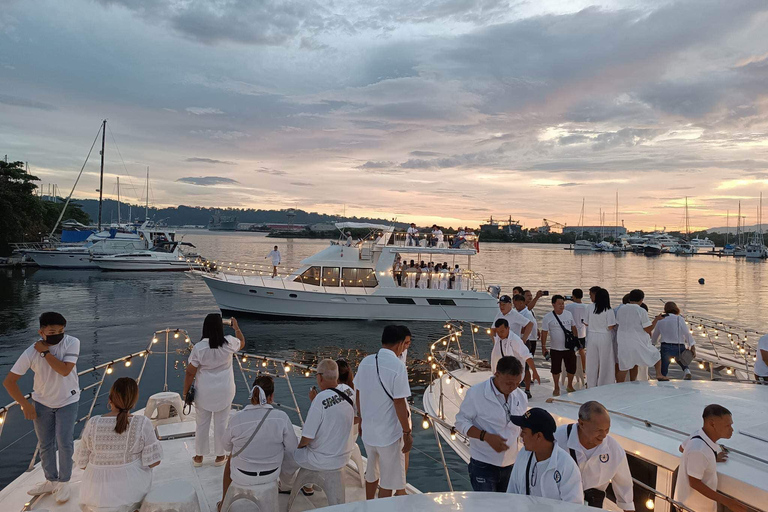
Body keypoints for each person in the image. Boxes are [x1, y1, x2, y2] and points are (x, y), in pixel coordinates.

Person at [3, 312, 80, 503]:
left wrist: (44, 352)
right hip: (42, 402)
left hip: (67, 401)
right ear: (41, 331)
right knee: (45, 444)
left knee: (64, 441)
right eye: (53, 331)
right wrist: (25, 405)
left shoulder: (71, 342)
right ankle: (50, 479)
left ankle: (64, 482)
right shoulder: (30, 352)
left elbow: (64, 370)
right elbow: (9, 382)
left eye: (61, 331)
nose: (58, 334)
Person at [77, 378, 162, 512]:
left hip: (93, 494)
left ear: (110, 399)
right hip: (129, 494)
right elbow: (154, 462)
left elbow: (82, 464)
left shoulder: (93, 422)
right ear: (133, 402)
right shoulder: (142, 423)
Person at [221, 376, 299, 506]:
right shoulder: (281, 418)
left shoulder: (237, 419)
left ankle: (224, 502)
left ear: (252, 394)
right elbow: (292, 448)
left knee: (231, 456)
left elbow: (226, 446)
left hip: (242, 476)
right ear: (271, 397)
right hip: (271, 475)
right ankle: (286, 485)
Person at [354, 325, 412, 499]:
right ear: (400, 344)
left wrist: (361, 419)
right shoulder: (397, 366)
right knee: (388, 482)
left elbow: (358, 391)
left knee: (371, 472)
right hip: (389, 435)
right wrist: (407, 432)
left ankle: (369, 504)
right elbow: (399, 402)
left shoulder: (366, 361)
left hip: (369, 432)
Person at [455, 356, 528, 492]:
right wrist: (486, 436)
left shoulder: (521, 397)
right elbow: (460, 422)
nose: (512, 388)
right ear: (497, 374)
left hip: (512, 464)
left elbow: (522, 426)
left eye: (516, 384)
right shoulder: (476, 393)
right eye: (508, 383)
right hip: (483, 464)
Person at [184, 314, 246, 467]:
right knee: (222, 423)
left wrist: (185, 392)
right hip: (225, 390)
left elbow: (190, 372)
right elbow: (242, 342)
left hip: (204, 392)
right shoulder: (229, 342)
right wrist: (236, 327)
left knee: (202, 423)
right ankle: (220, 456)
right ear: (220, 327)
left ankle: (199, 457)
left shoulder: (199, 348)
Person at [554, 401, 634, 511]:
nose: (604, 435)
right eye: (598, 430)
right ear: (581, 424)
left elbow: (625, 487)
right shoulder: (557, 439)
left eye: (607, 430)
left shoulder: (614, 450)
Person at [292, 359, 355, 494]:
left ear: (319, 377)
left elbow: (307, 438)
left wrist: (298, 448)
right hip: (344, 456)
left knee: (290, 451)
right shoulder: (349, 391)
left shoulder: (320, 400)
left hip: (323, 460)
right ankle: (313, 484)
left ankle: (288, 485)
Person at [675, 405, 748, 512]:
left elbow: (681, 448)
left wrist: (710, 458)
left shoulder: (698, 435)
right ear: (712, 423)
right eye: (727, 425)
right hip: (692, 508)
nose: (732, 429)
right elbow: (694, 483)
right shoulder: (699, 450)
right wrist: (728, 502)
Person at [506, 408, 583, 504]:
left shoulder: (566, 466)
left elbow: (574, 506)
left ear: (538, 436)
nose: (521, 435)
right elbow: (512, 493)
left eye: (524, 432)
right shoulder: (523, 455)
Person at [614, 289, 665, 382]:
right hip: (638, 342)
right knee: (656, 355)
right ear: (641, 299)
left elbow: (618, 323)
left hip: (623, 342)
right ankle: (659, 374)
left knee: (625, 366)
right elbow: (648, 329)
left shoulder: (621, 309)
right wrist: (656, 319)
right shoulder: (641, 311)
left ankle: (619, 385)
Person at [540, 295, 579, 396]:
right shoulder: (547, 317)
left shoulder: (568, 314)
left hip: (568, 347)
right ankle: (556, 387)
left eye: (563, 304)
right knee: (556, 369)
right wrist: (543, 346)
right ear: (553, 304)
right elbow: (544, 332)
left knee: (571, 367)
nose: (561, 306)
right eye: (559, 304)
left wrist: (576, 340)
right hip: (555, 348)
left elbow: (574, 327)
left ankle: (570, 385)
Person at [490, 319, 540, 397]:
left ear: (508, 328)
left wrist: (535, 372)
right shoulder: (499, 338)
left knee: (512, 391)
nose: (500, 334)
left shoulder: (515, 340)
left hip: (514, 372)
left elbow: (527, 356)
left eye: (502, 331)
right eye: (498, 332)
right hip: (503, 371)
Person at [652, 302, 697, 380]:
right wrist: (692, 345)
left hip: (666, 346)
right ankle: (687, 371)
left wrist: (652, 344)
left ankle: (664, 378)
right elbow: (686, 333)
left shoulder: (661, 319)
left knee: (664, 365)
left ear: (665, 309)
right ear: (676, 308)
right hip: (679, 345)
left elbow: (656, 333)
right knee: (682, 360)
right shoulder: (680, 319)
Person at [583, 288, 617, 387]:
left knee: (591, 361)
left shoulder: (589, 307)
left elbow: (586, 322)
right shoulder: (608, 310)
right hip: (604, 336)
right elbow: (611, 326)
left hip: (592, 336)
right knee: (606, 361)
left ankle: (591, 384)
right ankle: (605, 384)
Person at [565, 289, 588, 372]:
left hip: (571, 332)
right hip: (582, 333)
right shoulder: (587, 307)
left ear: (573, 296)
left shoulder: (568, 307)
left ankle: (571, 369)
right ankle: (584, 369)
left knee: (571, 352)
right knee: (582, 351)